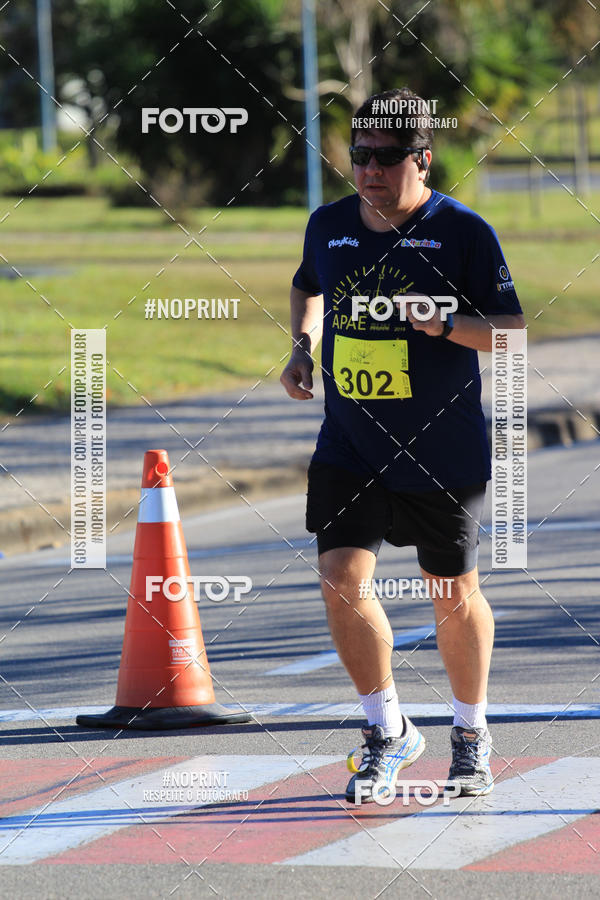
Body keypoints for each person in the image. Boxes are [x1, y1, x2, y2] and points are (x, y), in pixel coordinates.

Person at [280, 87, 525, 804]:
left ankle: (471, 733)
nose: (370, 170)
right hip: (350, 444)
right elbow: (307, 287)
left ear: (424, 159)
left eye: (387, 157)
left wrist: (446, 324)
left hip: (439, 450)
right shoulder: (328, 225)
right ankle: (387, 730)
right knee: (339, 579)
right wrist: (302, 347)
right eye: (359, 156)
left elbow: (509, 333)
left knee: (451, 594)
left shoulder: (463, 233)